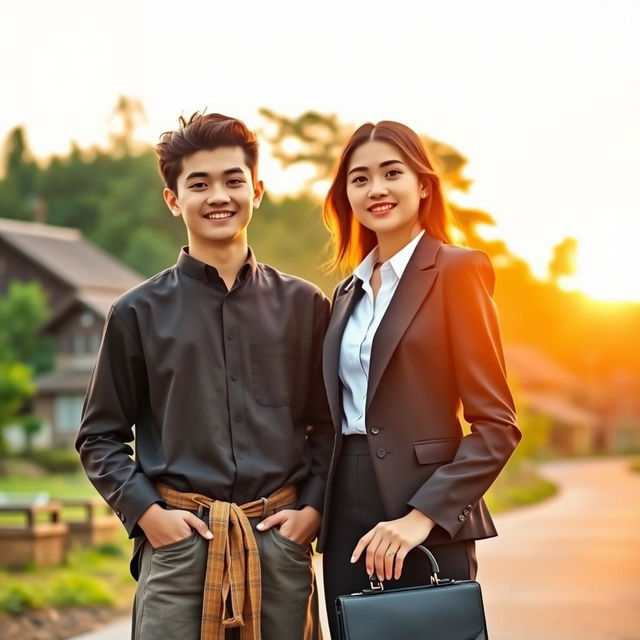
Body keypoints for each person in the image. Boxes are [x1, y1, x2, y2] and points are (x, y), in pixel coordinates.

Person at [76, 112, 333, 640]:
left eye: (233, 180)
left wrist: (312, 508)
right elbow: (98, 437)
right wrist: (148, 515)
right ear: (174, 200)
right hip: (179, 545)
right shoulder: (136, 313)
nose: (219, 195)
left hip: (277, 543)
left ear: (256, 190)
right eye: (199, 184)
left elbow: (330, 425)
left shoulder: (305, 306)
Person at [316, 120, 521, 638]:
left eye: (392, 173)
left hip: (426, 510)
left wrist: (419, 517)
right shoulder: (346, 294)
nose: (376, 189)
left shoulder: (457, 271)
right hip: (347, 515)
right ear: (346, 194)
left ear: (423, 184)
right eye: (359, 179)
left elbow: (497, 426)